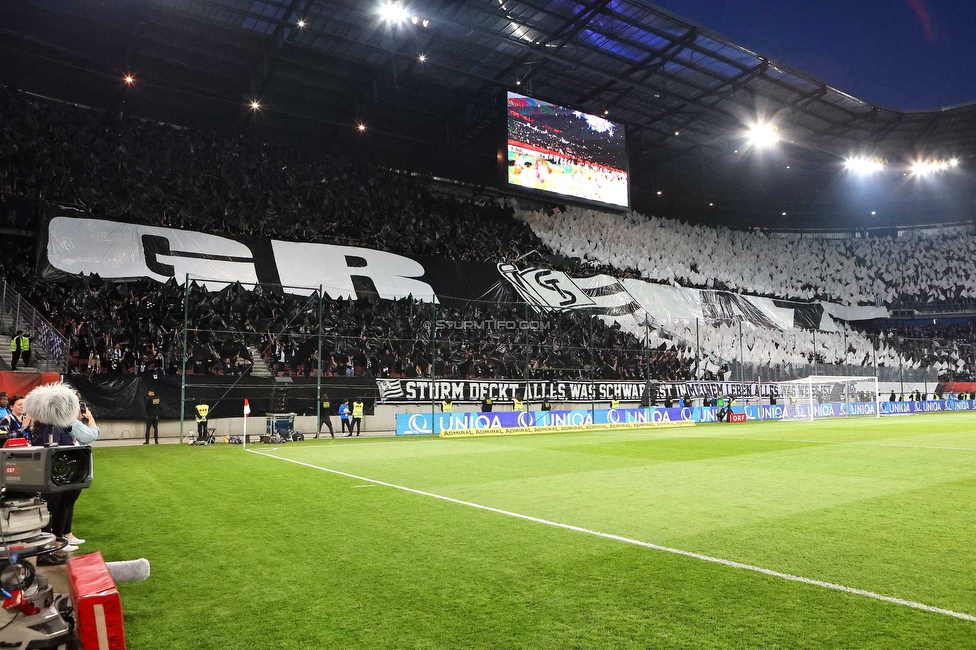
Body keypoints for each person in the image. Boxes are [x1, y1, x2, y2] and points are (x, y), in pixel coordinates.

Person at [23, 384, 90, 566]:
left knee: (60, 508)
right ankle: (46, 551)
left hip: (64, 475)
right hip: (54, 476)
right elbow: (50, 451)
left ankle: (56, 543)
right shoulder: (49, 428)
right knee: (51, 511)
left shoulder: (57, 426)